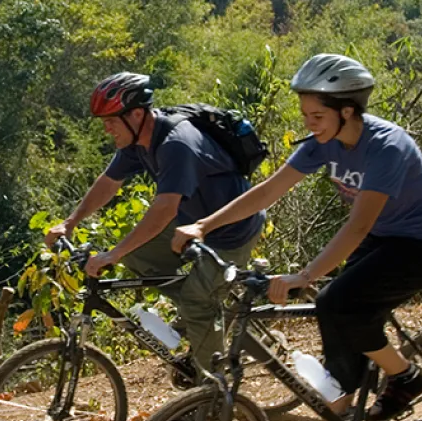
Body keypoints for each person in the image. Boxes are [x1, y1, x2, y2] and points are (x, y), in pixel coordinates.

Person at [172, 53, 422, 421]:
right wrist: (205, 225)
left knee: (337, 304)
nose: (309, 122)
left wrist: (305, 275)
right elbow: (268, 191)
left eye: (317, 114)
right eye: (305, 113)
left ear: (348, 110)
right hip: (382, 239)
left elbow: (357, 227)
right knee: (338, 330)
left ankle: (406, 377)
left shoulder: (386, 148)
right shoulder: (324, 143)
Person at [43, 71, 266, 378]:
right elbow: (109, 182)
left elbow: (163, 210)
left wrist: (112, 255)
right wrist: (70, 223)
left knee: (197, 304)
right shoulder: (139, 141)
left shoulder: (176, 143)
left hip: (231, 230)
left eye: (111, 120)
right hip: (190, 223)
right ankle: (202, 312)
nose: (106, 129)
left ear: (136, 114)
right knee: (139, 255)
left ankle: (213, 391)